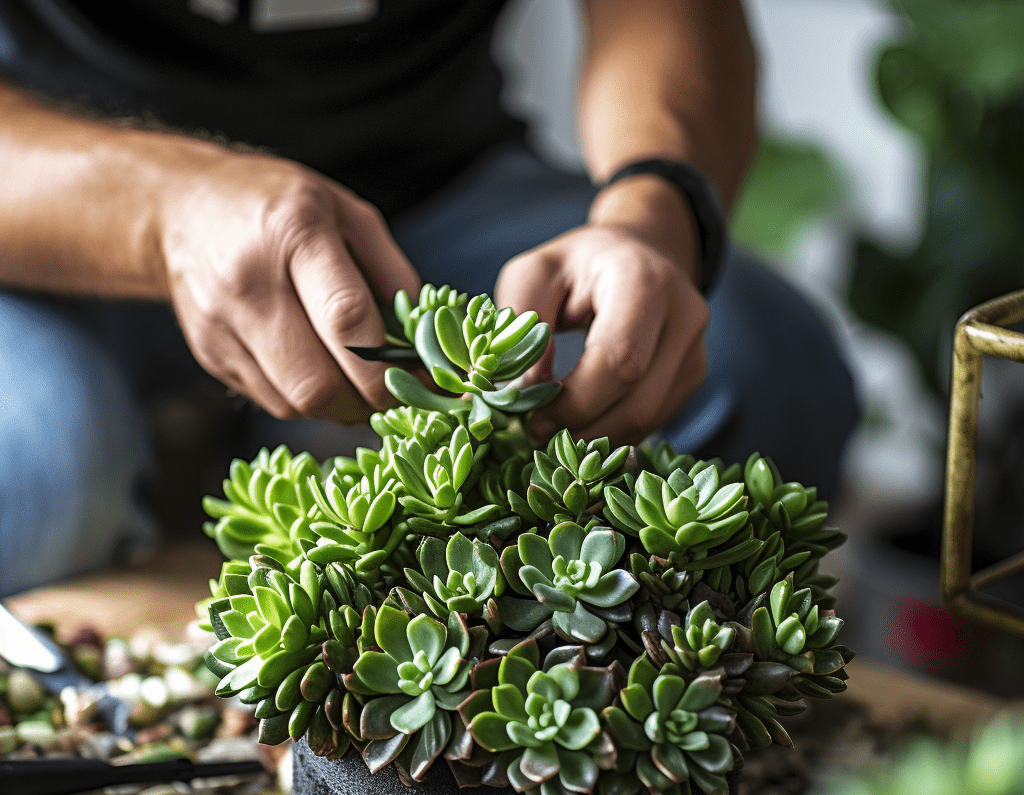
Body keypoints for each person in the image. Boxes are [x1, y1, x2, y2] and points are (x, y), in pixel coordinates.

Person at [0, 0, 857, 597]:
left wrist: (652, 214)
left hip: (432, 190)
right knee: (44, 466)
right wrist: (167, 209)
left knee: (758, 364)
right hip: (56, 203)